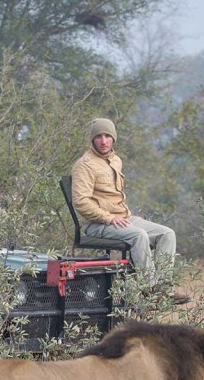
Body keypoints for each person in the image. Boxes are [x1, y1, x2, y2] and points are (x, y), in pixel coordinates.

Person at [70, 118, 190, 304]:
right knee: (139, 235)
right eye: (99, 136)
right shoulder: (84, 165)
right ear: (92, 140)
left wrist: (118, 218)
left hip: (124, 218)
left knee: (167, 234)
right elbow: (81, 202)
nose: (103, 141)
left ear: (114, 139)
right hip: (97, 224)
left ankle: (164, 288)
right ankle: (150, 289)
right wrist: (109, 218)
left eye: (108, 136)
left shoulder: (115, 160)